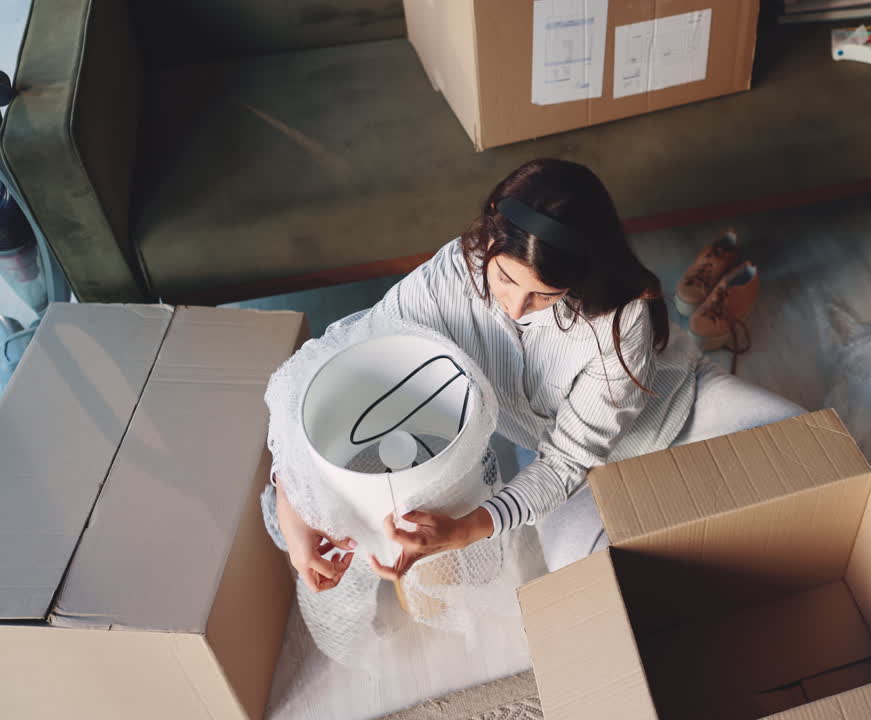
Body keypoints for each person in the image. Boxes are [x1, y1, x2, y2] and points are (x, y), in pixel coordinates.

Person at [267, 159, 804, 592]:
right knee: (600, 587)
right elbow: (350, 355)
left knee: (811, 450)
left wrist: (466, 528)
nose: (517, 307)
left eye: (545, 296)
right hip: (559, 462)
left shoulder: (620, 317)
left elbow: (576, 451)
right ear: (489, 234)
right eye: (503, 278)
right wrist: (295, 506)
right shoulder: (452, 272)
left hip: (682, 409)